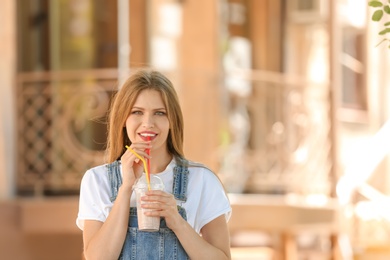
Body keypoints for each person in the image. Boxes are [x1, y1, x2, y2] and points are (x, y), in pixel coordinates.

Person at [76, 69, 232, 260]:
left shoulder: (202, 180)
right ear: (123, 119)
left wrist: (177, 221)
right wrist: (126, 188)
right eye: (137, 112)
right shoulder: (97, 180)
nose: (148, 123)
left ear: (172, 121)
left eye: (159, 113)